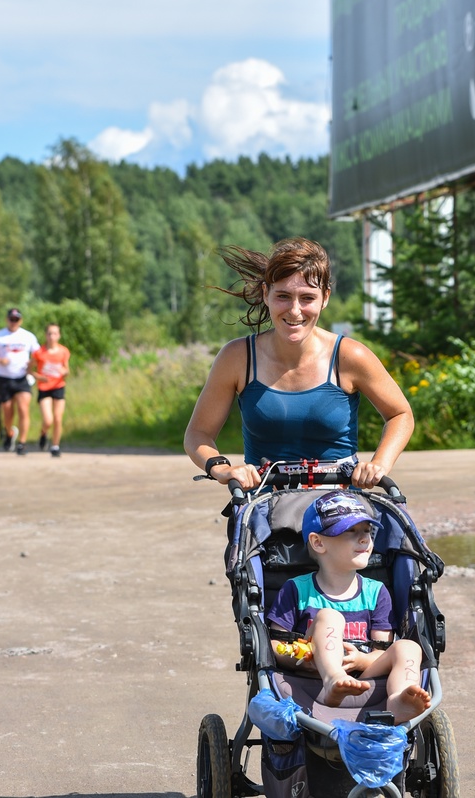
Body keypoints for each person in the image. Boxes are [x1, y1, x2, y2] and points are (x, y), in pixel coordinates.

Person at [184, 237, 414, 489]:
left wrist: (379, 464)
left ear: (325, 298)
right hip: (265, 503)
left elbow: (400, 414)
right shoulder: (237, 357)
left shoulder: (350, 356)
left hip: (339, 505)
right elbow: (198, 433)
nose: (295, 310)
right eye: (283, 296)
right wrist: (222, 468)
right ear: (266, 294)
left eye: (307, 298)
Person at [267, 490, 430, 723]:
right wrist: (301, 659)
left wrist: (362, 661)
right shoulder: (296, 589)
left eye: (367, 531)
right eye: (351, 532)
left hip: (364, 676)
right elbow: (275, 645)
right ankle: (333, 679)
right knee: (329, 617)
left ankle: (399, 700)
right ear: (318, 542)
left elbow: (381, 650)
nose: (364, 539)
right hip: (313, 676)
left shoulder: (376, 592)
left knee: (408, 647)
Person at [0, 307, 40, 455]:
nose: (14, 322)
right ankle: (9, 433)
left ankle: (22, 443)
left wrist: (32, 364)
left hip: (22, 378)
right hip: (4, 379)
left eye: (17, 319)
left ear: (21, 320)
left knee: (23, 408)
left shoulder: (28, 336)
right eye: (11, 319)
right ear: (7, 319)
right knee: (7, 412)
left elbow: (38, 354)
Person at [31, 323, 71, 457]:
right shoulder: (39, 353)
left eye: (55, 333)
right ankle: (43, 433)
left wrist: (64, 372)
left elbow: (67, 370)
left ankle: (55, 446)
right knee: (48, 420)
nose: (52, 336)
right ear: (46, 335)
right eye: (49, 334)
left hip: (58, 386)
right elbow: (29, 370)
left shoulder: (63, 351)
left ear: (59, 336)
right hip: (44, 388)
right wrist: (39, 377)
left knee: (58, 418)